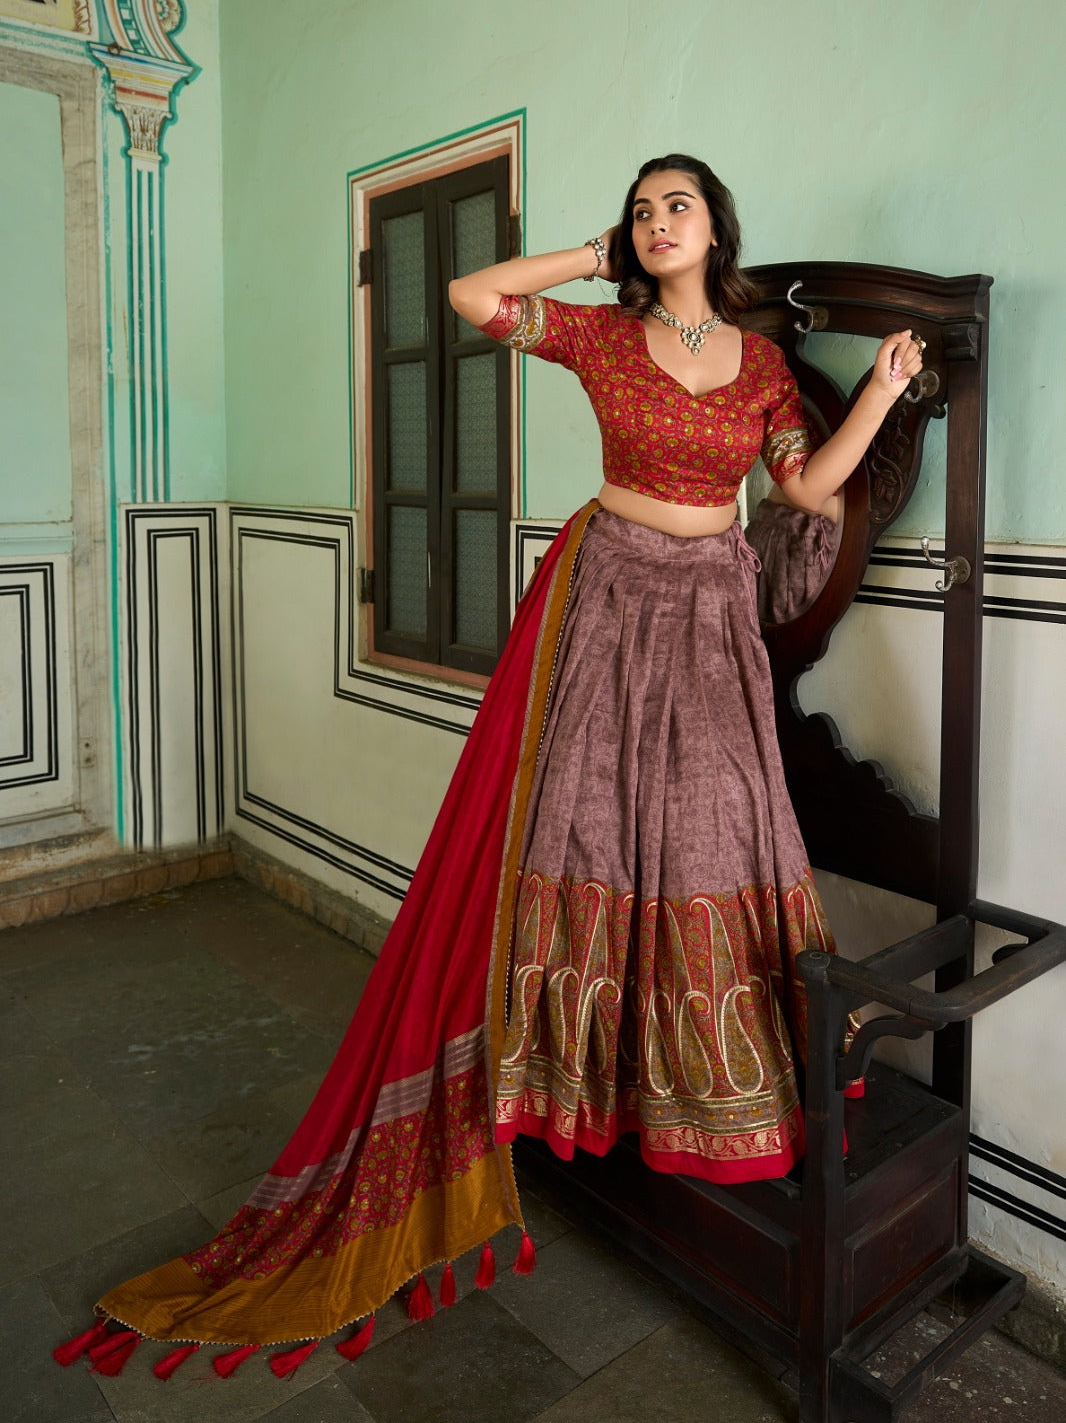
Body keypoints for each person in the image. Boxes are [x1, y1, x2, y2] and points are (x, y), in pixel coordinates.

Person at [63, 155, 923, 1381]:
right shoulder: (605, 337)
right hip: (607, 606)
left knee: (711, 837)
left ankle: (695, 1087)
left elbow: (803, 486)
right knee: (588, 831)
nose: (657, 221)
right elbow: (475, 297)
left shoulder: (761, 366)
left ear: (716, 228)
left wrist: (880, 391)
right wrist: (590, 255)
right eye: (642, 209)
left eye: (677, 205)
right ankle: (575, 1082)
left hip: (707, 622)